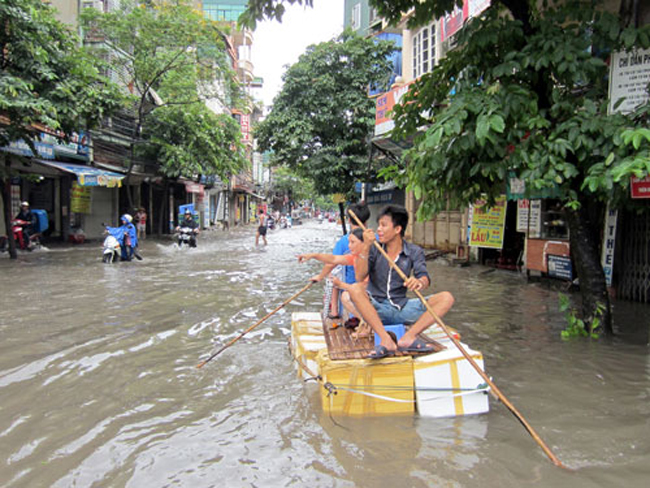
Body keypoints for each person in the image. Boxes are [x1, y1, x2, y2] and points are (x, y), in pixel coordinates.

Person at [346, 204, 455, 359]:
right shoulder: (375, 248)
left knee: (446, 298)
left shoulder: (414, 251)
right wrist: (365, 247)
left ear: (397, 229)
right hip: (376, 309)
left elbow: (424, 276)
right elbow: (359, 276)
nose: (379, 230)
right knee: (355, 289)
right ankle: (385, 339)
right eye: (378, 225)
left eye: (384, 225)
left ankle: (409, 337)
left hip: (401, 307)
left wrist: (418, 282)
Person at [310, 201, 370, 324]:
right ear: (366, 221)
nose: (351, 245)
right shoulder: (376, 239)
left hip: (354, 294)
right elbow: (333, 260)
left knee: (333, 275)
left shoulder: (344, 242)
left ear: (349, 220)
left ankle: (335, 312)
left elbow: (331, 263)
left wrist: (320, 276)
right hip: (372, 291)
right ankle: (336, 312)